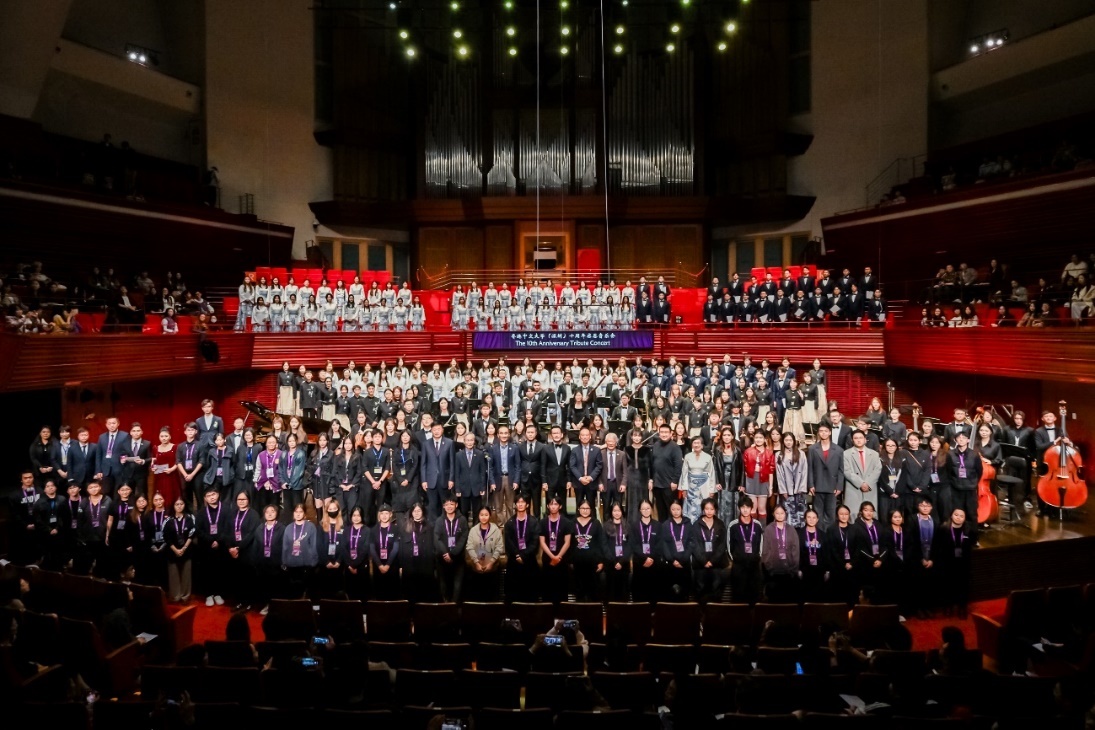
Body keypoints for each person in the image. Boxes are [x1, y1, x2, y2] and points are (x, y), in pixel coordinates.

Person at [935, 508, 973, 617]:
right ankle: (948, 607)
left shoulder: (968, 529)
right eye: (956, 515)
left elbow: (970, 544)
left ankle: (962, 607)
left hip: (963, 563)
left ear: (965, 518)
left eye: (961, 516)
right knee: (948, 585)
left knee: (963, 586)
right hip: (948, 562)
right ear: (951, 516)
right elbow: (937, 545)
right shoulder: (943, 528)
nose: (958, 517)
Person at [503, 494, 541, 602]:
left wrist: (523, 555)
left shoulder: (534, 522)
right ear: (515, 505)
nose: (520, 504)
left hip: (529, 561)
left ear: (527, 505)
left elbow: (535, 542)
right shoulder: (509, 523)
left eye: (522, 502)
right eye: (518, 502)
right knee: (513, 595)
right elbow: (508, 542)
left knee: (530, 595)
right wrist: (517, 555)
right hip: (514, 562)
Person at [195, 489, 229, 607]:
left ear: (218, 494)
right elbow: (198, 530)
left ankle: (218, 593)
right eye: (208, 495)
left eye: (213, 494)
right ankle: (208, 594)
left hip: (221, 546)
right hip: (206, 547)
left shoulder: (226, 510)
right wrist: (211, 540)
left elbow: (228, 527)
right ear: (205, 498)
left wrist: (218, 540)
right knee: (207, 570)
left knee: (219, 570)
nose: (211, 497)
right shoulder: (201, 512)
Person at [727, 496, 763, 605]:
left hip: (754, 566)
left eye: (747, 507)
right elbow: (729, 544)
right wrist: (735, 558)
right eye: (742, 507)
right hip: (738, 566)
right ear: (739, 508)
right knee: (738, 598)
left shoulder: (757, 525)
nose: (745, 509)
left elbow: (760, 543)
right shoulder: (733, 525)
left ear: (752, 508)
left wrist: (757, 557)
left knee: (754, 598)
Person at [761, 503, 800, 603]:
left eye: (782, 513)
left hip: (788, 572)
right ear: (773, 514)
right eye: (777, 513)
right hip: (773, 572)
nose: (779, 515)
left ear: (785, 514)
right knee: (774, 600)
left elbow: (795, 550)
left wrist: (793, 569)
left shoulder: (791, 530)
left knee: (787, 600)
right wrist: (769, 568)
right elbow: (766, 550)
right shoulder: (769, 529)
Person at [465, 506, 505, 601]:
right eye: (481, 515)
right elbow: (469, 547)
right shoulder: (473, 530)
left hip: (492, 569)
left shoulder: (496, 530)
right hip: (476, 569)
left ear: (490, 516)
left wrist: (491, 563)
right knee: (477, 596)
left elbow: (499, 548)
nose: (484, 517)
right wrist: (476, 562)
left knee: (491, 597)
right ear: (478, 516)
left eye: (486, 515)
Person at [693, 497, 728, 604]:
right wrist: (704, 561)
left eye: (711, 509)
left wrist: (712, 561)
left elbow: (722, 545)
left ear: (715, 510)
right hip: (700, 565)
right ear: (703, 509)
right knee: (700, 590)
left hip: (717, 564)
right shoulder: (696, 525)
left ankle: (715, 616)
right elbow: (695, 545)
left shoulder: (720, 524)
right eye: (707, 509)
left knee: (716, 591)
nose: (709, 511)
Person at [539, 496, 573, 605]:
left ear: (560, 506)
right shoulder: (543, 522)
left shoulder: (566, 522)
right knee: (547, 592)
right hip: (547, 560)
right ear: (548, 506)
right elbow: (542, 542)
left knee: (562, 591)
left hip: (562, 560)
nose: (553, 507)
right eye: (551, 504)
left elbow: (567, 542)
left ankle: (562, 619)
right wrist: (552, 557)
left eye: (556, 504)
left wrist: (558, 556)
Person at [434, 496, 467, 603]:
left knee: (457, 586)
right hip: (442, 559)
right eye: (447, 504)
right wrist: (445, 553)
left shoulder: (462, 520)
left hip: (458, 559)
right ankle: (445, 607)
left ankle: (455, 608)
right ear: (443, 506)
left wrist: (453, 554)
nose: (449, 506)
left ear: (456, 505)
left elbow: (463, 538)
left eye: (452, 504)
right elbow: (437, 538)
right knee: (443, 585)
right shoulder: (439, 520)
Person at [282, 502, 318, 599]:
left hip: (306, 564)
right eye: (296, 511)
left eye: (300, 512)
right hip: (292, 565)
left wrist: (313, 562)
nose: (298, 514)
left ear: (304, 514)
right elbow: (285, 547)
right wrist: (284, 562)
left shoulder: (311, 527)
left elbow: (314, 545)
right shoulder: (288, 528)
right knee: (294, 593)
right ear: (293, 513)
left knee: (306, 592)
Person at [571, 499, 605, 601]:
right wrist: (570, 561)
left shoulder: (596, 523)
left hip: (593, 565)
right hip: (577, 564)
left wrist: (601, 561)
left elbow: (601, 543)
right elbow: (570, 544)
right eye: (582, 508)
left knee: (593, 594)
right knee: (579, 593)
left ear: (591, 510)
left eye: (587, 508)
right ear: (578, 509)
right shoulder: (572, 523)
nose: (585, 510)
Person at [660, 500, 694, 602]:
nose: (676, 512)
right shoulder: (666, 524)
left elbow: (691, 542)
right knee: (670, 591)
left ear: (682, 509)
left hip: (684, 563)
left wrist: (683, 559)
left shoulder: (688, 524)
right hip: (670, 563)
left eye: (678, 509)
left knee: (684, 591)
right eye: (673, 509)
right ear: (670, 510)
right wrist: (672, 559)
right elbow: (664, 543)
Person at [163, 496, 195, 603]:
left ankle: (185, 596)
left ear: (184, 505)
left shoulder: (190, 518)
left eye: (181, 504)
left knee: (186, 574)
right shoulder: (168, 520)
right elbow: (166, 537)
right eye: (177, 504)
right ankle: (175, 596)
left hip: (187, 550)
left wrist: (184, 548)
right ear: (173, 506)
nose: (179, 506)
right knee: (173, 575)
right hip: (172, 551)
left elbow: (192, 534)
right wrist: (176, 550)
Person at [649, 424, 683, 521]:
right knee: (660, 511)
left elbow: (678, 465)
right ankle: (662, 532)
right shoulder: (655, 445)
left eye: (666, 432)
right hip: (657, 485)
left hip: (669, 485)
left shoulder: (675, 447)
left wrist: (675, 481)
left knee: (671, 511)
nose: (664, 434)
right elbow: (652, 464)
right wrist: (651, 479)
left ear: (671, 433)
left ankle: (671, 533)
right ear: (659, 433)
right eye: (662, 432)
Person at [842, 430, 881, 515]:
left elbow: (877, 470)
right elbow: (847, 471)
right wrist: (860, 483)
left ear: (865, 439)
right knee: (853, 515)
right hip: (853, 488)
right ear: (852, 440)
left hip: (870, 488)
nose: (858, 440)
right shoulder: (846, 454)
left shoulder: (874, 454)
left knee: (870, 514)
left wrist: (868, 483)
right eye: (856, 438)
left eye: (860, 438)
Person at [680, 435, 717, 523]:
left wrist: (712, 489)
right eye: (694, 443)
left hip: (704, 486)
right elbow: (684, 473)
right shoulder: (687, 456)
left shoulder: (708, 457)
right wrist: (684, 488)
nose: (696, 445)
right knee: (690, 508)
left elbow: (711, 473)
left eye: (698, 443)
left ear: (702, 445)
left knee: (702, 507)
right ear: (692, 445)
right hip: (690, 486)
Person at [774, 433, 808, 528]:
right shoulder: (779, 455)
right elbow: (779, 475)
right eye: (786, 440)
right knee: (787, 515)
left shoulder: (801, 454)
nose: (788, 442)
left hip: (799, 489)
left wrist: (802, 487)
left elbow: (805, 472)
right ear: (783, 442)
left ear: (794, 441)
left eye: (790, 440)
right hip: (786, 489)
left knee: (800, 516)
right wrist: (783, 490)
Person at [824, 504, 856, 605]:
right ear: (837, 515)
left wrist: (852, 563)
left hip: (852, 566)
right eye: (841, 514)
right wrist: (843, 563)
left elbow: (858, 548)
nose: (844, 516)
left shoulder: (854, 529)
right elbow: (831, 549)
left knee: (851, 594)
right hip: (837, 567)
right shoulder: (831, 529)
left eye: (846, 514)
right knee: (837, 596)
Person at [742, 431, 774, 520]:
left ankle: (762, 531)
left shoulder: (769, 453)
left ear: (764, 439)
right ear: (754, 439)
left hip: (764, 481)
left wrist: (770, 487)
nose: (758, 440)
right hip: (751, 480)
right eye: (756, 438)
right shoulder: (748, 451)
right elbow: (744, 470)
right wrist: (744, 484)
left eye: (760, 438)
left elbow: (771, 472)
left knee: (762, 509)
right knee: (752, 509)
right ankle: (753, 530)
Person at [798, 508, 827, 602]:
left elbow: (825, 554)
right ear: (805, 519)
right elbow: (797, 553)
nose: (811, 519)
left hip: (819, 570)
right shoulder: (799, 534)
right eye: (809, 517)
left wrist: (826, 570)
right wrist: (798, 569)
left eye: (814, 517)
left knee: (818, 598)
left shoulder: (822, 535)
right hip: (804, 570)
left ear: (817, 519)